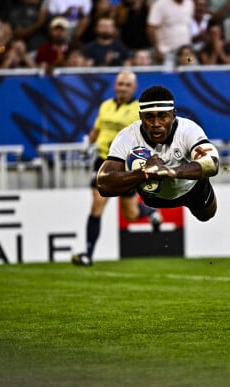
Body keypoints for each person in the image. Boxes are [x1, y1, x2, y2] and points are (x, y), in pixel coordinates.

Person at [71, 71, 162, 266]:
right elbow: (97, 129)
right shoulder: (105, 106)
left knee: (130, 213)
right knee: (97, 202)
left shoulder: (140, 111)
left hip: (125, 165)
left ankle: (149, 212)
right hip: (103, 161)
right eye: (120, 84)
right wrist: (87, 143)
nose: (122, 88)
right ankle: (88, 253)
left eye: (127, 85)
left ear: (134, 88)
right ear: (115, 85)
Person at [96, 84, 219, 225]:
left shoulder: (188, 129)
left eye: (162, 116)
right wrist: (145, 173)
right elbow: (103, 185)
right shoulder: (127, 136)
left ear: (173, 115)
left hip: (192, 188)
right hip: (152, 195)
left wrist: (171, 171)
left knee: (206, 216)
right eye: (149, 117)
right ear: (140, 117)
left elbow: (213, 164)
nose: (156, 123)